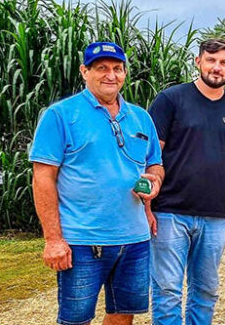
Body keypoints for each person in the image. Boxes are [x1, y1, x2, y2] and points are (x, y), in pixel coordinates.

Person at [30, 41, 163, 325]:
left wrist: (154, 186)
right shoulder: (61, 115)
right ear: (84, 71)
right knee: (76, 319)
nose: (110, 75)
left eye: (117, 68)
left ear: (125, 73)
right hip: (82, 240)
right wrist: (53, 240)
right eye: (101, 68)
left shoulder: (141, 117)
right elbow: (42, 177)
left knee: (123, 313)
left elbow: (154, 164)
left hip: (134, 238)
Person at [147, 38, 225, 325]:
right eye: (211, 60)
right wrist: (147, 207)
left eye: (223, 62)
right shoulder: (170, 100)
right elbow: (150, 157)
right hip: (169, 212)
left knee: (206, 291)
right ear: (198, 62)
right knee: (167, 291)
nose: (216, 68)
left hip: (215, 216)